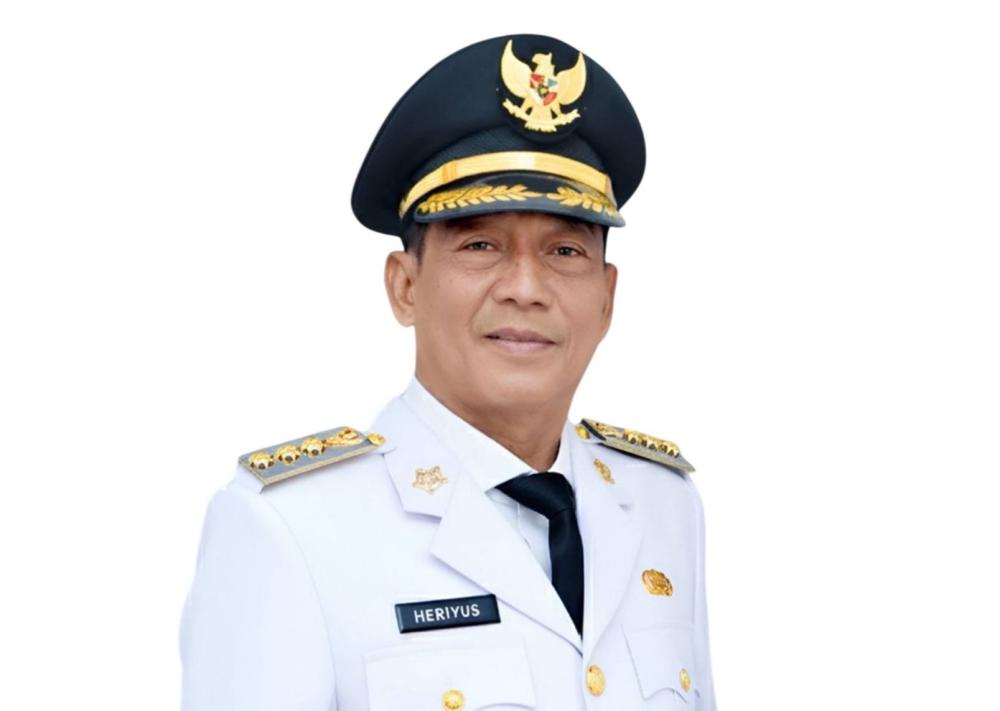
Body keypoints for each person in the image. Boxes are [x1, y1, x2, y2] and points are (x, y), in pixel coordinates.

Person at [179, 32, 717, 710]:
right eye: (481, 244)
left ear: (607, 298)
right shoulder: (290, 530)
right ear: (404, 286)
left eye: (565, 251)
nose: (526, 288)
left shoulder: (663, 505)